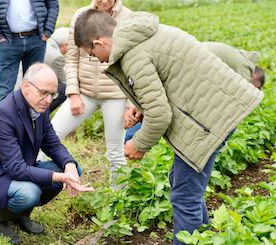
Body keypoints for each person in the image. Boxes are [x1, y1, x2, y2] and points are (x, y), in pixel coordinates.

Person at [73, 10, 264, 244]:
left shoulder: (133, 56)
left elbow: (161, 114)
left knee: (185, 195)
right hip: (210, 113)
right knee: (182, 185)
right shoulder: (142, 35)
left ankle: (190, 240)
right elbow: (170, 80)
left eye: (92, 53)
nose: (98, 60)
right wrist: (141, 107)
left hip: (209, 120)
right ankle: (201, 237)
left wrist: (139, 144)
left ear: (98, 42)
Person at [0, 63, 94, 244]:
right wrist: (59, 177)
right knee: (30, 193)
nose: (49, 100)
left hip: (20, 166)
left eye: (52, 94)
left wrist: (69, 165)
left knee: (73, 169)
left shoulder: (38, 107)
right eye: (44, 93)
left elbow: (52, 144)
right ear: (26, 86)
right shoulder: (2, 115)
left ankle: (21, 213)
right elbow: (15, 168)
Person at [48, 0, 131, 188]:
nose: (103, 1)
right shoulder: (81, 16)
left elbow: (132, 64)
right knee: (51, 134)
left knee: (115, 152)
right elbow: (71, 58)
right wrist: (73, 93)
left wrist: (130, 105)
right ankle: (43, 182)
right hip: (84, 92)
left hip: (116, 95)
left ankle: (118, 200)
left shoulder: (128, 18)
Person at [124, 41, 266, 143]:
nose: (253, 89)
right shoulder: (245, 68)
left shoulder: (237, 57)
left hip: (186, 60)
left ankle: (130, 136)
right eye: (255, 86)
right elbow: (241, 96)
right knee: (158, 103)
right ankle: (129, 138)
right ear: (254, 77)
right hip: (189, 65)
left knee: (156, 99)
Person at [0, 0, 59, 107]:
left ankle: (30, 123)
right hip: (8, 41)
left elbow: (53, 4)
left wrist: (47, 31)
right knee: (3, 93)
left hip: (36, 39)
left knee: (35, 90)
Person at [14, 27, 70, 112]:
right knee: (64, 89)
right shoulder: (56, 57)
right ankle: (40, 114)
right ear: (66, 45)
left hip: (20, 85)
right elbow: (65, 80)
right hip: (27, 91)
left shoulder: (45, 44)